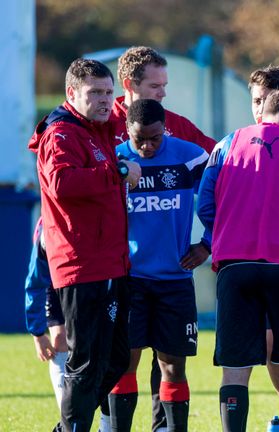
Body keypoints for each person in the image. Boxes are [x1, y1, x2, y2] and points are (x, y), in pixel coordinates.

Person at [198, 89, 279, 432]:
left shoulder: (226, 143)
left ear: (263, 115)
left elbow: (205, 206)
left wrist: (228, 232)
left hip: (233, 266)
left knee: (236, 368)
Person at [28, 58, 141, 432]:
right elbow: (62, 183)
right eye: (94, 92)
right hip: (82, 265)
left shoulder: (100, 130)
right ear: (71, 93)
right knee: (87, 362)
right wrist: (119, 171)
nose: (105, 99)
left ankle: (67, 427)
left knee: (116, 357)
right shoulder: (61, 133)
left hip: (111, 262)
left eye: (109, 92)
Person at [107, 99, 210, 431]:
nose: (148, 146)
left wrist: (207, 244)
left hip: (175, 282)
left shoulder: (190, 156)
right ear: (128, 132)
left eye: (155, 138)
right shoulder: (115, 159)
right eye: (141, 140)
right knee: (125, 364)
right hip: (131, 281)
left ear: (165, 129)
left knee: (172, 368)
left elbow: (223, 198)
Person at [111, 46, 216, 152]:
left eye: (164, 86)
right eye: (154, 86)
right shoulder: (104, 125)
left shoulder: (178, 124)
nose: (163, 94)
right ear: (129, 84)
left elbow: (221, 155)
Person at [24, 218, 67, 409]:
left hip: (90, 282)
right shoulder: (47, 226)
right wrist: (38, 334)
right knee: (60, 339)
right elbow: (34, 282)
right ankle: (67, 415)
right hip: (56, 283)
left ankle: (106, 422)